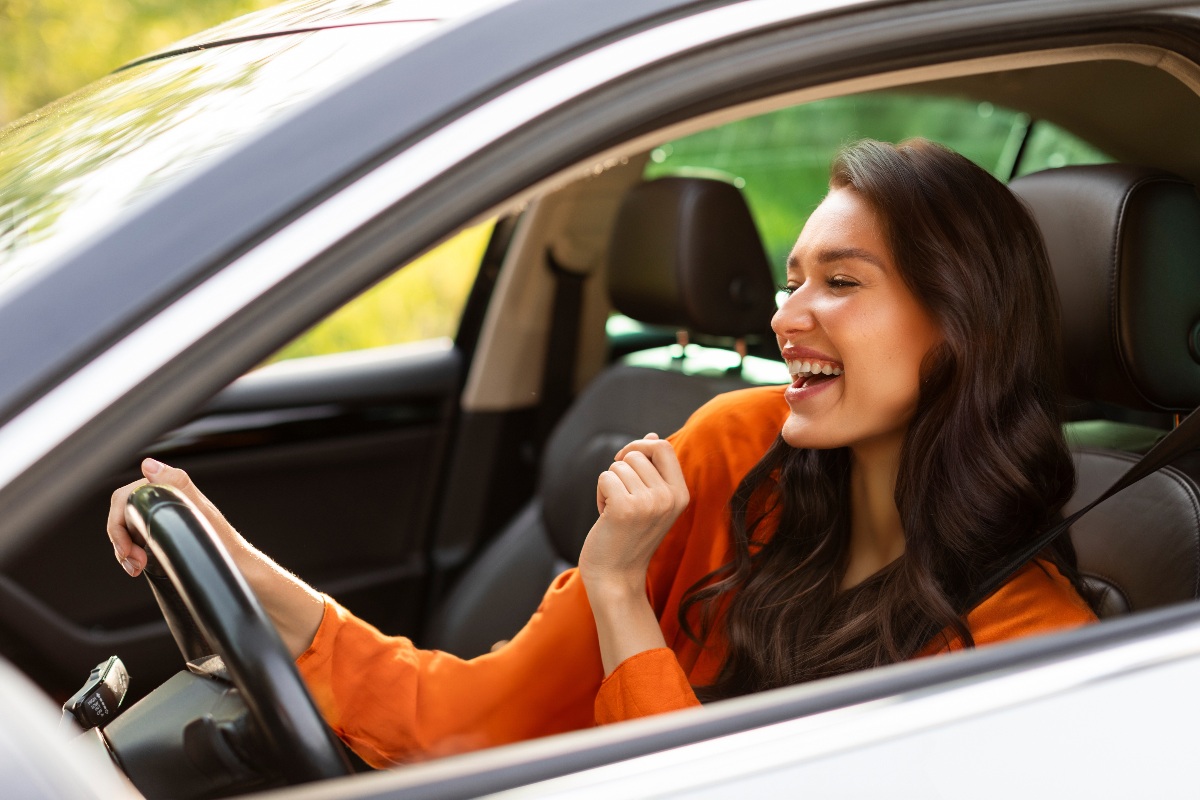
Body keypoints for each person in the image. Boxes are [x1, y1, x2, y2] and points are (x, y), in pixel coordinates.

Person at [107, 138, 1096, 766]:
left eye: (839, 280)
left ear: (958, 325)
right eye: (791, 278)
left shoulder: (1037, 650)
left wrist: (623, 595)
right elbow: (467, 716)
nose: (786, 313)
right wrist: (232, 562)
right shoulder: (727, 454)